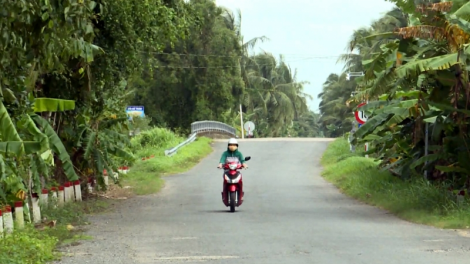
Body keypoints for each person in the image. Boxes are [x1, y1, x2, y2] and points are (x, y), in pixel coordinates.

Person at [217, 138, 248, 205]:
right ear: (228, 145)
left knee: (240, 180)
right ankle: (224, 194)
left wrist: (244, 165)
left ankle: (241, 194)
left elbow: (242, 160)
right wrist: (220, 164)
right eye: (230, 145)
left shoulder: (239, 154)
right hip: (227, 171)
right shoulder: (225, 153)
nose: (232, 146)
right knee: (225, 181)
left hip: (236, 171)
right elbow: (222, 160)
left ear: (237, 146)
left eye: (234, 145)